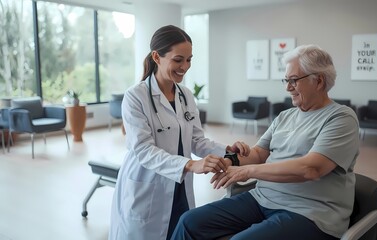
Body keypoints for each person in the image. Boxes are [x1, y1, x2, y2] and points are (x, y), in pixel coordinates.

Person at [171, 44, 360, 240]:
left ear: (319, 81)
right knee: (189, 222)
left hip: (310, 212)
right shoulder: (285, 116)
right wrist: (229, 161)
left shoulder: (341, 118)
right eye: (286, 80)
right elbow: (259, 153)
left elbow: (311, 168)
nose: (288, 87)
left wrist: (247, 171)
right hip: (263, 198)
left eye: (293, 80)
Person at [108, 25, 250, 240]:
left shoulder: (185, 95)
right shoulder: (135, 97)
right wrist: (190, 164)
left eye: (189, 59)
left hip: (179, 187)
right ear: (157, 56)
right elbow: (143, 150)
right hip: (147, 186)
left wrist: (228, 151)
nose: (185, 66)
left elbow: (196, 140)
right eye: (178, 59)